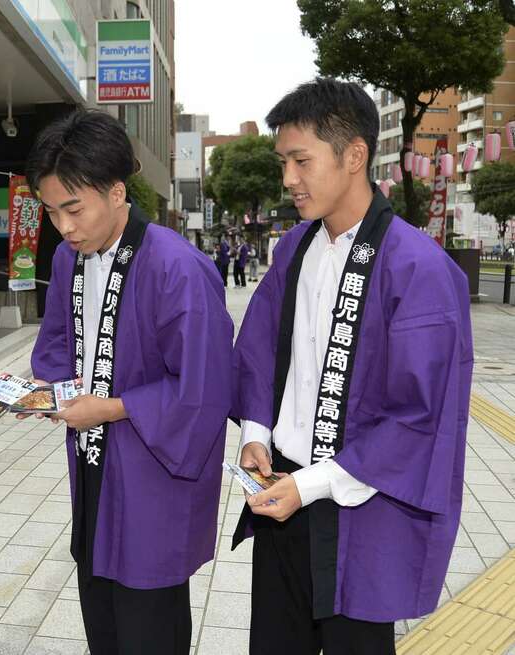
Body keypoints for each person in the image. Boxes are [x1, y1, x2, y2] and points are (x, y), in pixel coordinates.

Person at [231, 78, 473, 655]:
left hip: (360, 507)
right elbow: (261, 351)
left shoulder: (419, 268)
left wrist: (310, 485)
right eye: (282, 161)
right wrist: (256, 434)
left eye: (301, 160)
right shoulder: (293, 249)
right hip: (282, 496)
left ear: (355, 156)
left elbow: (417, 416)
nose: (288, 178)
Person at [25, 109, 234, 655]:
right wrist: (50, 393)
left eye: (74, 208)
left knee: (148, 629)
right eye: (51, 212)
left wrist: (113, 409)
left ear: (117, 191)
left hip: (152, 480)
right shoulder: (72, 260)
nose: (64, 227)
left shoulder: (177, 268)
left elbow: (204, 389)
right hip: (94, 472)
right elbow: (54, 348)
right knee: (103, 624)